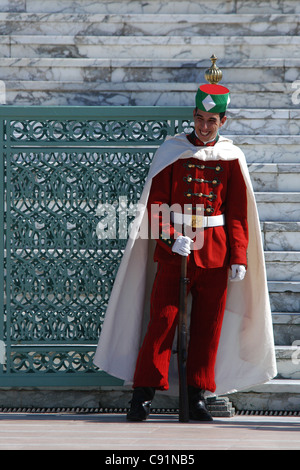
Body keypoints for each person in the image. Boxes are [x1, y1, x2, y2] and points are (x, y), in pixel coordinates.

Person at [93, 65, 277, 422]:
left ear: (223, 121)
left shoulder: (231, 157)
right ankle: (143, 394)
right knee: (162, 321)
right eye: (199, 118)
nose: (203, 126)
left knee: (208, 327)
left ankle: (196, 395)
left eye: (211, 120)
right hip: (174, 251)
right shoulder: (172, 150)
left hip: (216, 252)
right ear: (192, 116)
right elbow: (155, 202)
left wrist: (239, 256)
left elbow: (238, 213)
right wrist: (167, 236)